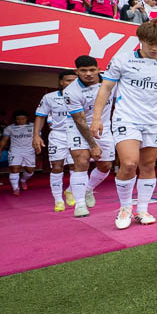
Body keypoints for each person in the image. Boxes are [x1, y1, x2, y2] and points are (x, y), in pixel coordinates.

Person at [93, 22, 157, 229]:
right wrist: (97, 117)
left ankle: (142, 210)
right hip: (126, 119)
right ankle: (125, 208)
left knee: (148, 166)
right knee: (129, 163)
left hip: (154, 122)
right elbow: (105, 88)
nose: (154, 48)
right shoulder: (122, 59)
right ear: (141, 40)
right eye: (150, 43)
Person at [63, 55, 116, 218]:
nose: (88, 74)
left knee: (105, 165)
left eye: (92, 70)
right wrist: (93, 145)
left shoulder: (110, 82)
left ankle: (88, 189)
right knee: (81, 161)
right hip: (78, 128)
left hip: (103, 127)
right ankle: (79, 205)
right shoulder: (70, 91)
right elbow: (79, 120)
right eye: (83, 71)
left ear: (99, 69)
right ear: (76, 72)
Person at [33, 70, 78, 211]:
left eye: (74, 80)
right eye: (68, 80)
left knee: (77, 166)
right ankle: (58, 200)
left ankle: (70, 191)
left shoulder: (83, 96)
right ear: (61, 82)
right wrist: (36, 135)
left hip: (77, 134)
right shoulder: (49, 97)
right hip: (58, 136)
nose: (71, 83)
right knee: (57, 167)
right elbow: (40, 116)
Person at [0, 110, 36, 196]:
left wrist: (38, 147)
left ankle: (23, 180)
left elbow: (38, 138)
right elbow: (4, 140)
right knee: (14, 169)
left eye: (23, 119)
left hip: (29, 151)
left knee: (30, 170)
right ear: (15, 119)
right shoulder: (9, 128)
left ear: (27, 118)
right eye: (18, 119)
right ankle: (16, 188)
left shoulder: (34, 126)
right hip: (15, 151)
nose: (20, 121)